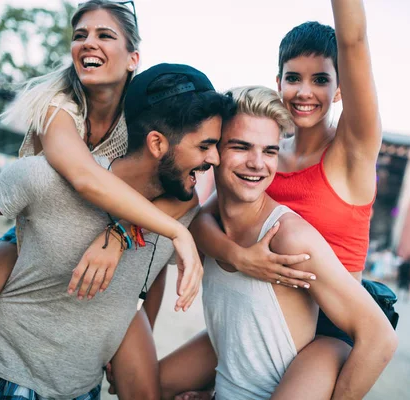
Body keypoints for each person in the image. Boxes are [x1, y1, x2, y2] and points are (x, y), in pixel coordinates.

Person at [0, 0, 201, 379]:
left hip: (121, 237)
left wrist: (122, 234)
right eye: (80, 36)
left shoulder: (141, 114)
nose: (89, 42)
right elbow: (84, 177)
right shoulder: (58, 107)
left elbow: (182, 188)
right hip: (41, 234)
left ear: (133, 58)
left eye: (105, 35)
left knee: (141, 372)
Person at [0, 63, 234, 399]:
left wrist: (121, 237)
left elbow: (150, 272)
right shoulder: (49, 179)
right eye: (205, 145)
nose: (216, 158)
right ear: (156, 144)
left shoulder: (183, 208)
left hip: (79, 392)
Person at [183, 0, 391, 397]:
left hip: (331, 329)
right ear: (277, 83)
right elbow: (202, 220)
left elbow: (354, 40)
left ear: (341, 87)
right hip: (264, 314)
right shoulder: (269, 157)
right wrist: (239, 255)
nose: (304, 91)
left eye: (320, 80)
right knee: (154, 384)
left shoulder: (352, 151)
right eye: (294, 78)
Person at [158, 86, 396, 400]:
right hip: (223, 384)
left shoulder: (290, 238)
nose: (258, 163)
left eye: (270, 151)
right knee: (145, 384)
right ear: (214, 151)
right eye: (241, 147)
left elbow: (380, 338)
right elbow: (195, 219)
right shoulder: (209, 223)